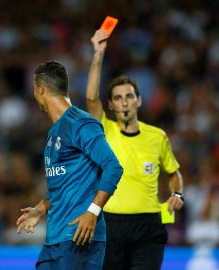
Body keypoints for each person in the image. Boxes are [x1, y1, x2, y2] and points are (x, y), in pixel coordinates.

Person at [86, 30, 184, 270]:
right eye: (118, 98)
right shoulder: (104, 130)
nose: (124, 101)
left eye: (129, 96)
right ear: (111, 105)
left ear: (139, 100)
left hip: (148, 226)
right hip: (110, 226)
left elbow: (174, 173)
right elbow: (90, 97)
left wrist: (177, 194)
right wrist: (98, 55)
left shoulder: (157, 136)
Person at [16, 60, 123, 270]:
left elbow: (113, 166)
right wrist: (40, 209)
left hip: (78, 236)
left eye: (34, 90)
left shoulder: (81, 123)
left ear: (41, 89)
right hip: (54, 239)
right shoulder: (54, 131)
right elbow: (64, 185)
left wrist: (92, 212)